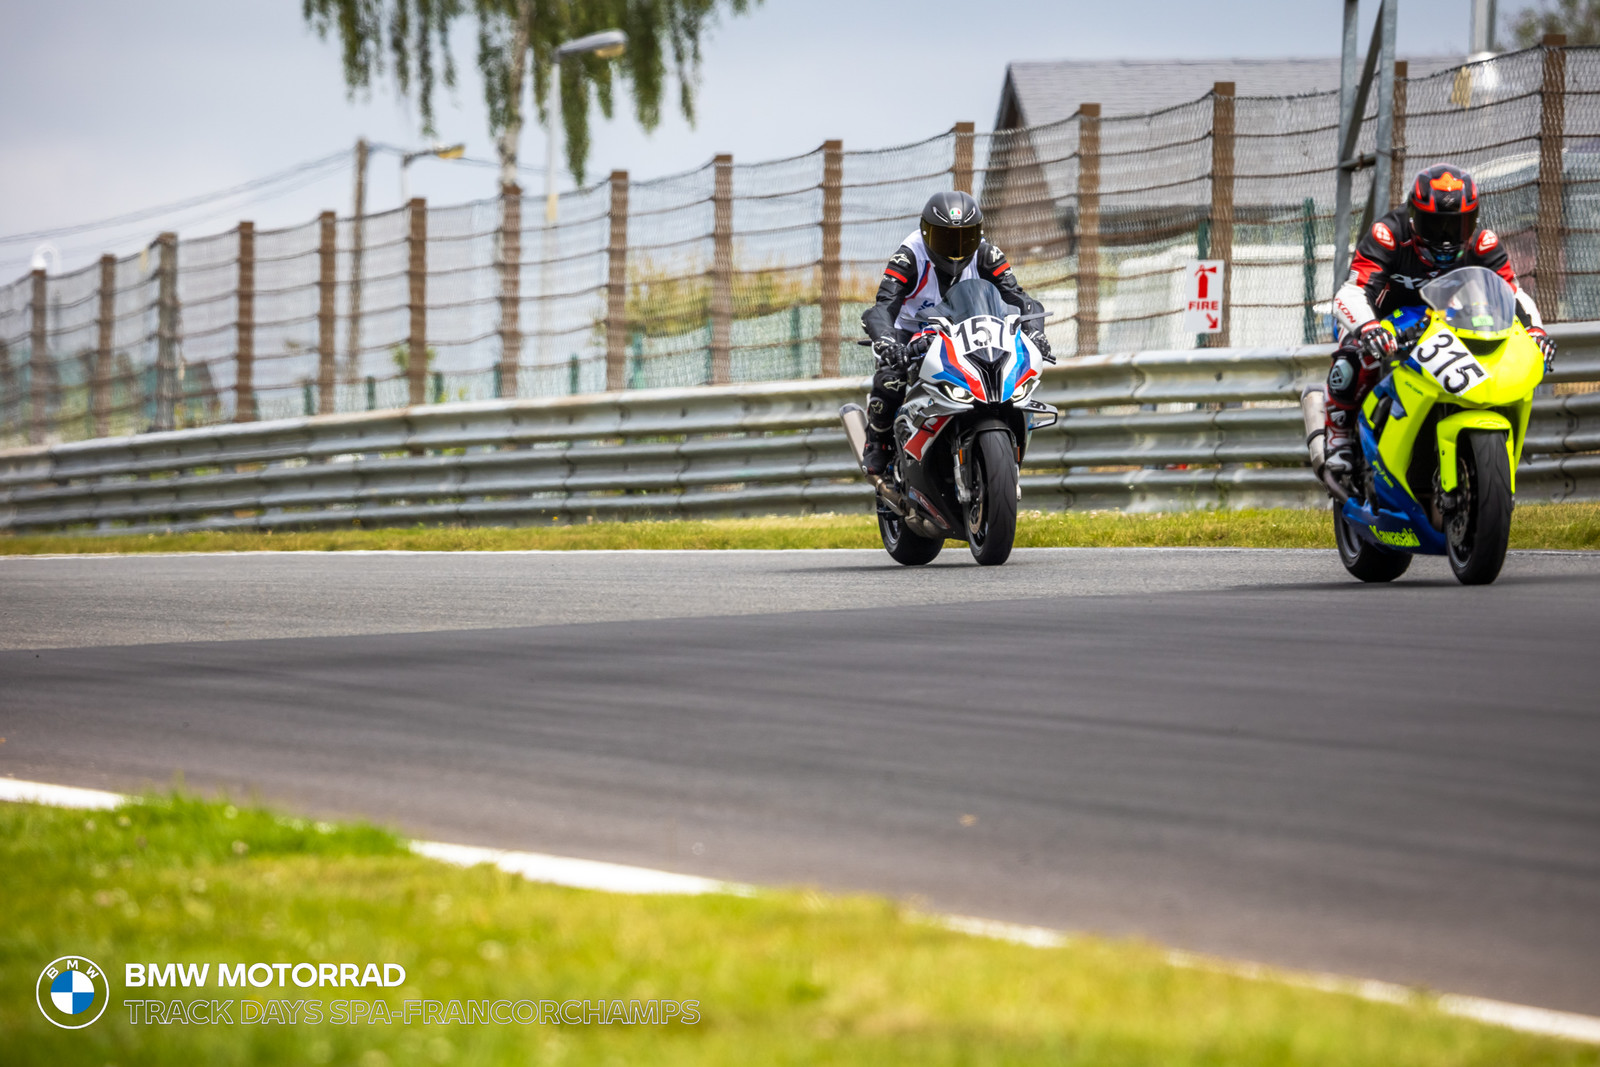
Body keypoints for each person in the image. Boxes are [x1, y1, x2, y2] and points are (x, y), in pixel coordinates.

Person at [1325, 162, 1556, 477]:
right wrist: (1368, 328)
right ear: (1413, 217)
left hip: (1447, 323)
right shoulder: (1389, 235)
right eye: (1435, 225)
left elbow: (1513, 294)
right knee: (1353, 360)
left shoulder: (1482, 244)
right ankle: (1338, 437)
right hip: (1382, 319)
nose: (1447, 238)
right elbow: (1353, 291)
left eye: (1457, 225)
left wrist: (1535, 332)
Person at [858, 191, 1051, 477]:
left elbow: (1020, 299)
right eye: (946, 238)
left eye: (965, 238)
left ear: (978, 234)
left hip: (965, 326)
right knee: (891, 379)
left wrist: (1035, 332)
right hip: (911, 331)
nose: (956, 248)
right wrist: (887, 341)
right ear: (926, 233)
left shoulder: (986, 254)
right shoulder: (908, 256)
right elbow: (884, 306)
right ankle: (878, 440)